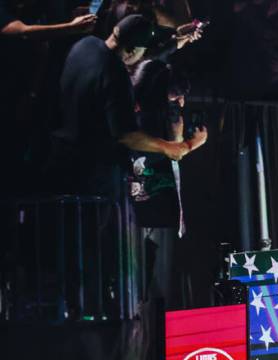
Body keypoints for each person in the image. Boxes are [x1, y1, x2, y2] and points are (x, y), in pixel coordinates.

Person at [50, 14, 189, 198]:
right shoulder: (116, 76)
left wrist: (175, 41)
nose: (144, 54)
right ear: (131, 50)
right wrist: (169, 147)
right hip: (90, 173)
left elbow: (136, 57)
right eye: (143, 49)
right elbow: (127, 135)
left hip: (60, 152)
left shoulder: (86, 44)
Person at [130, 59, 206, 307]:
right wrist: (195, 141)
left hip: (135, 200)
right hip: (147, 202)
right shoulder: (155, 120)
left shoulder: (130, 107)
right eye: (176, 97)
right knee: (142, 264)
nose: (179, 103)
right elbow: (176, 146)